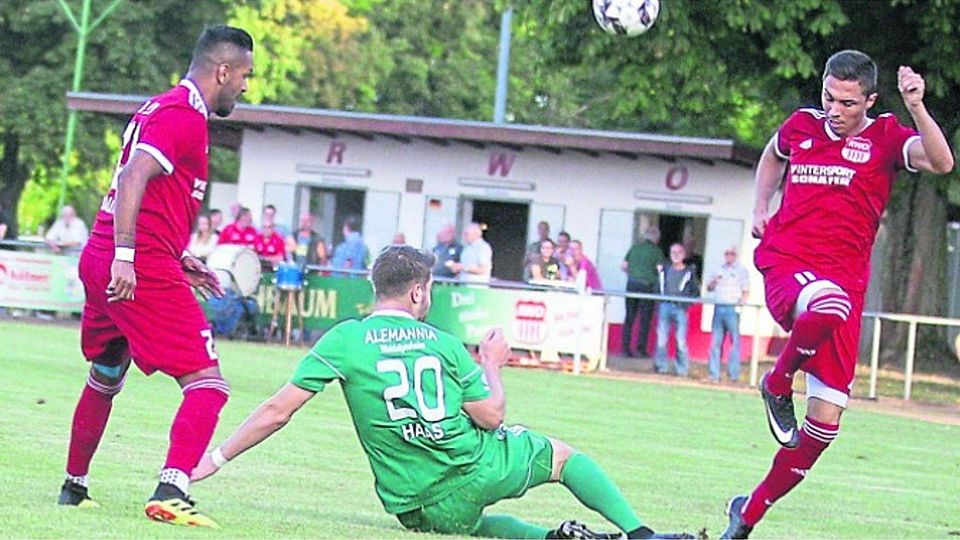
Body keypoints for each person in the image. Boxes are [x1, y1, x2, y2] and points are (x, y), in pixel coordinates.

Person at [191, 246, 692, 540]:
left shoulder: (345, 338)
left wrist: (215, 458)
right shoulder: (443, 343)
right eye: (428, 288)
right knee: (561, 458)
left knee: (471, 525)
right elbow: (491, 417)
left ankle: (555, 539)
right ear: (416, 293)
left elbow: (279, 411)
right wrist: (492, 366)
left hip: (415, 504)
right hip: (473, 468)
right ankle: (642, 535)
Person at [720, 51, 954, 540]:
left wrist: (916, 107)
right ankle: (778, 383)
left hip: (844, 288)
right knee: (827, 303)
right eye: (829, 96)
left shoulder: (887, 136)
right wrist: (761, 205)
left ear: (869, 100)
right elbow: (772, 155)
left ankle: (747, 515)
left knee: (823, 428)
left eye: (847, 102)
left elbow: (941, 160)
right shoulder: (801, 126)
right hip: (789, 265)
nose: (834, 108)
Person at [56, 25, 253, 529]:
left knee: (105, 373)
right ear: (223, 71)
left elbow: (152, 195)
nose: (246, 87)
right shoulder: (182, 115)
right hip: (132, 262)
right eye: (245, 76)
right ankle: (172, 489)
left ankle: (73, 488)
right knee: (209, 384)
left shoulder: (161, 107)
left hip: (108, 253)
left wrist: (178, 254)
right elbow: (132, 177)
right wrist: (130, 255)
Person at [653, 243, 699, 376]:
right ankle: (661, 368)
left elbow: (695, 291)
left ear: (684, 255)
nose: (676, 255)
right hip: (664, 306)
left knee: (680, 340)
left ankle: (682, 370)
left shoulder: (689, 272)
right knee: (661, 338)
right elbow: (657, 287)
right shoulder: (664, 270)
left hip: (680, 308)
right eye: (673, 252)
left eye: (678, 252)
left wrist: (686, 305)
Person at [705, 246, 750, 383]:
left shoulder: (741, 271)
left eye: (732, 253)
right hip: (719, 307)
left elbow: (746, 290)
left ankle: (733, 375)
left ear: (736, 255)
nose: (729, 256)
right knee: (715, 342)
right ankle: (714, 374)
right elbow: (708, 287)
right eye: (727, 253)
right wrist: (714, 281)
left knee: (735, 342)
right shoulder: (719, 269)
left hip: (732, 308)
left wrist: (740, 305)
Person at [621, 227, 663, 358]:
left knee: (629, 317)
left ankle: (625, 348)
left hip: (631, 284)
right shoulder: (657, 251)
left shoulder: (634, 248)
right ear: (656, 238)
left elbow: (623, 266)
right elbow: (660, 270)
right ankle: (641, 349)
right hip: (647, 287)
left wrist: (633, 275)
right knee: (645, 319)